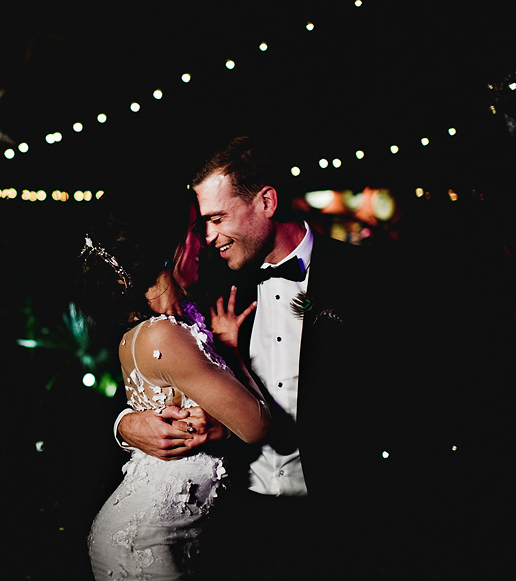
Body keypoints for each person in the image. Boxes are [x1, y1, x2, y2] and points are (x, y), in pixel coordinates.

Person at [114, 135, 401, 575]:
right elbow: (142, 368)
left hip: (341, 512)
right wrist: (125, 424)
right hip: (236, 516)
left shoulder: (365, 278)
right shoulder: (200, 284)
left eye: (216, 218)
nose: (207, 237)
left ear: (266, 201)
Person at [78, 186, 270, 580]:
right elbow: (256, 425)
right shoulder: (162, 336)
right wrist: (123, 425)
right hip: (147, 541)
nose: (203, 240)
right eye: (194, 229)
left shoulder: (186, 318)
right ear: (166, 246)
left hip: (185, 535)